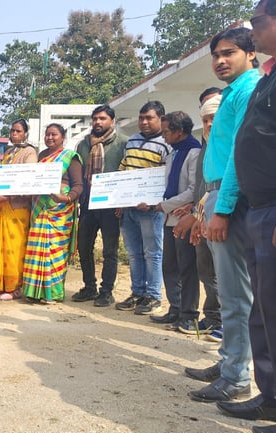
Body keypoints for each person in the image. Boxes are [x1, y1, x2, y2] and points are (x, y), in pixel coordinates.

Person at [217, 3, 276, 430]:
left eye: (258, 24)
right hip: (262, 208)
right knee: (266, 308)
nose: (254, 33)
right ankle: (275, 398)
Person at [186, 27, 261, 404]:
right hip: (216, 195)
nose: (220, 60)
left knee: (234, 293)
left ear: (251, 53)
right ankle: (230, 360)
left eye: (229, 53)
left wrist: (224, 208)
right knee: (229, 289)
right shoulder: (231, 93)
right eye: (216, 55)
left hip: (230, 199)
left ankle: (236, 376)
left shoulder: (248, 90)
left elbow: (238, 155)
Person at [173, 89, 223, 340]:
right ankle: (213, 318)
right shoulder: (207, 144)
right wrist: (197, 212)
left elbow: (225, 185)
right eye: (205, 118)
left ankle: (228, 325)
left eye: (214, 115)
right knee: (208, 270)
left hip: (225, 217)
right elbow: (205, 185)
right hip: (204, 214)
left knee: (227, 274)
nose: (209, 123)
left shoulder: (232, 145)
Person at [143, 111, 201, 331]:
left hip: (184, 218)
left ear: (179, 131)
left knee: (187, 267)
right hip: (169, 218)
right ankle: (175, 308)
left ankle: (189, 314)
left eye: (166, 131)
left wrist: (163, 205)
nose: (164, 135)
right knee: (170, 265)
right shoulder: (173, 153)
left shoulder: (194, 152)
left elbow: (193, 190)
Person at [115, 101, 171, 315]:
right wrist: (117, 200)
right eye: (141, 118)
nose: (144, 122)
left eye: (149, 118)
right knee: (133, 253)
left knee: (152, 253)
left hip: (151, 211)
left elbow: (165, 178)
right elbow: (123, 169)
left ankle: (154, 296)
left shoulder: (166, 143)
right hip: (128, 208)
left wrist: (153, 203)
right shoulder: (132, 140)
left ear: (161, 119)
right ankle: (137, 293)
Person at [73, 105, 129, 307]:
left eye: (102, 118)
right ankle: (89, 287)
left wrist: (123, 202)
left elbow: (127, 173)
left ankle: (106, 292)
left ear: (112, 121)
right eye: (95, 118)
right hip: (88, 203)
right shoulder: (83, 144)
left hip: (111, 205)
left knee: (109, 251)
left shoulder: (123, 143)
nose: (98, 122)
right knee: (84, 247)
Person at [21, 123, 83, 303]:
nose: (50, 138)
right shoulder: (41, 156)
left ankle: (53, 293)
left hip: (60, 210)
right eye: (47, 134)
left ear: (63, 137)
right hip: (40, 208)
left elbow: (78, 185)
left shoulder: (71, 157)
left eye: (54, 134)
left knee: (55, 252)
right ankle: (34, 292)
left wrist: (66, 198)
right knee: (36, 250)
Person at [0, 118, 37, 299]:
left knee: (14, 248)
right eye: (12, 130)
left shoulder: (30, 152)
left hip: (17, 206)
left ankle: (14, 288)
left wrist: (9, 196)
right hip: (2, 205)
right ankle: (1, 284)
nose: (14, 134)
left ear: (25, 133)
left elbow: (28, 180)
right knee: (0, 247)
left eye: (18, 131)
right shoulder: (8, 152)